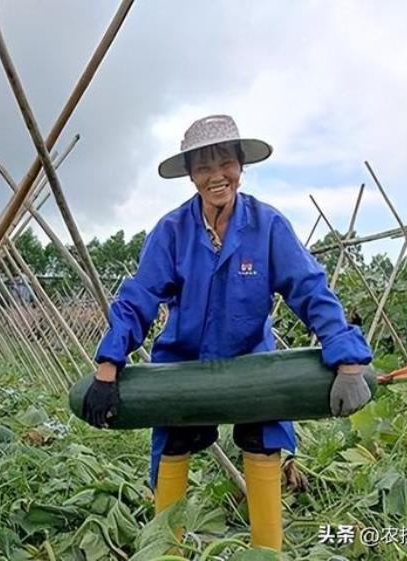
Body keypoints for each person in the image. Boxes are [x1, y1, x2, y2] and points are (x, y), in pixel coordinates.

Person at [82, 115, 373, 553]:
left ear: (240, 164)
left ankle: (266, 552)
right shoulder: (172, 231)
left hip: (251, 360)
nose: (216, 175)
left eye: (225, 162)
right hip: (182, 363)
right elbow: (139, 297)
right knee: (174, 445)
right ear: (191, 175)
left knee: (262, 440)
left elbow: (309, 288)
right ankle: (167, 551)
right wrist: (108, 366)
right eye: (203, 166)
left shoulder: (267, 225)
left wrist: (347, 357)